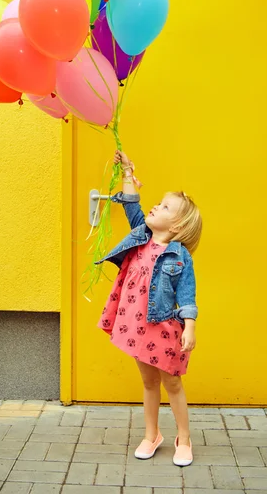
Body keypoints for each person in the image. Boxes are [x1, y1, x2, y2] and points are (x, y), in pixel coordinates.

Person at [96, 150, 202, 467]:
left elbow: (187, 294)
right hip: (135, 325)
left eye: (166, 207)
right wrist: (128, 172)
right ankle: (151, 434)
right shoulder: (142, 234)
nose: (157, 206)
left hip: (164, 327)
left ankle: (184, 438)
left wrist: (191, 326)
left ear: (179, 224)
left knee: (172, 382)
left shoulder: (179, 256)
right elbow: (132, 204)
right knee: (148, 382)